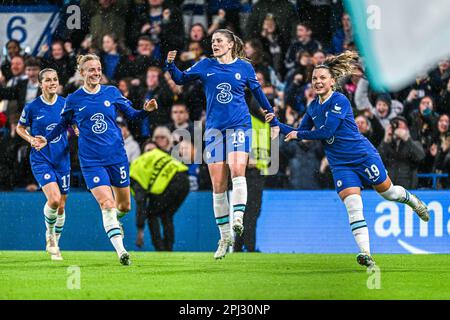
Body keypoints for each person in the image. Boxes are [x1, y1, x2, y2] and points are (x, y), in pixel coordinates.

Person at [277, 51, 430, 267]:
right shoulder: (312, 107)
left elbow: (326, 132)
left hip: (362, 155)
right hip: (340, 164)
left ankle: (413, 201)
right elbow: (299, 133)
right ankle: (366, 253)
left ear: (332, 81)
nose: (318, 82)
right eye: (314, 79)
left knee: (389, 193)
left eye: (322, 78)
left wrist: (298, 134)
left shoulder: (339, 100)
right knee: (353, 205)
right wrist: (276, 123)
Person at [165, 28, 279, 259]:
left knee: (238, 170)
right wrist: (170, 65)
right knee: (218, 186)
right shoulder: (205, 65)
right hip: (215, 131)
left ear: (230, 45)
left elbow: (258, 94)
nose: (214, 44)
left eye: (219, 41)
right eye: (213, 41)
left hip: (239, 126)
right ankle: (224, 237)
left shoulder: (244, 68)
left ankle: (238, 217)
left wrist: (273, 118)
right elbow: (179, 79)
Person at [33, 54, 158, 265]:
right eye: (91, 69)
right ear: (82, 73)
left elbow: (133, 115)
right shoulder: (73, 99)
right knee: (106, 203)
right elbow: (63, 125)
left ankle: (115, 223)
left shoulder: (111, 92)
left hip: (117, 157)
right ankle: (121, 252)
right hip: (91, 161)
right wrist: (47, 139)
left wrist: (145, 112)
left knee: (124, 206)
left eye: (98, 69)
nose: (96, 73)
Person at [15, 68, 76, 261]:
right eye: (48, 80)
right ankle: (49, 236)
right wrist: (30, 139)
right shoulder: (32, 107)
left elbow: (73, 125)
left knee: (61, 206)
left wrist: (77, 131)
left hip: (62, 159)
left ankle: (56, 243)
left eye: (55, 80)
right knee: (55, 199)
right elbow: (19, 127)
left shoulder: (65, 104)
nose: (52, 83)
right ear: (40, 84)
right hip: (41, 159)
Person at [130, 140, 190, 251]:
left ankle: (160, 248)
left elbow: (140, 201)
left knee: (152, 214)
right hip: (185, 181)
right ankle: (168, 247)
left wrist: (140, 230)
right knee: (166, 215)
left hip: (170, 183)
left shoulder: (135, 168)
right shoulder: (158, 154)